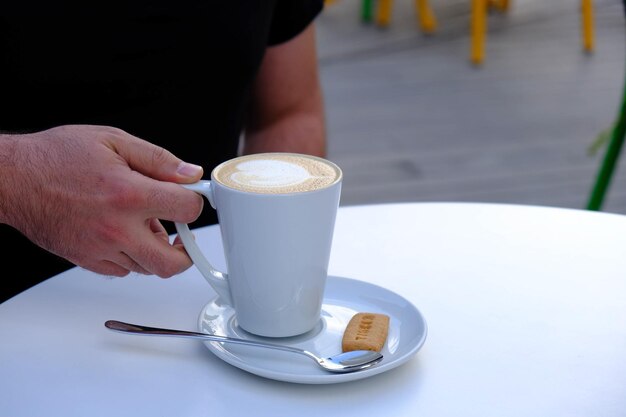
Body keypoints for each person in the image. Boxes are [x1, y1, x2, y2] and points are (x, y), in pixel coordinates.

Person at [0, 1, 327, 302]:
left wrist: (267, 270)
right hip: (16, 296)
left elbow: (288, 113)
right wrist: (20, 179)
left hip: (208, 289)